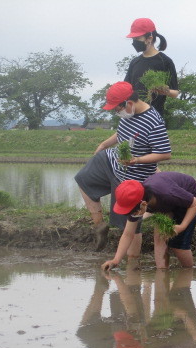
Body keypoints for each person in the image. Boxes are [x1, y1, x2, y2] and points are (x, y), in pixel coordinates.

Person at [75, 81, 171, 253]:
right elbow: (122, 133)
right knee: (83, 179)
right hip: (111, 160)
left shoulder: (153, 122)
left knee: (130, 223)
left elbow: (164, 153)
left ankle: (133, 266)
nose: (116, 112)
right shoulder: (128, 114)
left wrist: (137, 160)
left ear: (129, 103)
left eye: (117, 109)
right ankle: (100, 227)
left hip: (132, 176)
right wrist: (104, 144)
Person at [102, 172, 196, 270]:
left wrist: (182, 227)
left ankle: (188, 271)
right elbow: (128, 234)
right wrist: (115, 260)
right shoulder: (136, 200)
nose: (133, 215)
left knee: (178, 245)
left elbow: (195, 203)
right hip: (166, 203)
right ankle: (162, 272)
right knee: (160, 237)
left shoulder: (166, 193)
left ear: (144, 204)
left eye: (134, 213)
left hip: (189, 199)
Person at [124, 18, 179, 117]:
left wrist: (166, 91)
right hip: (134, 115)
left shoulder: (165, 61)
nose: (134, 42)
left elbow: (175, 93)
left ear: (149, 38)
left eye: (137, 39)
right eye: (133, 39)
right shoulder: (134, 62)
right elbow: (126, 88)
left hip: (155, 116)